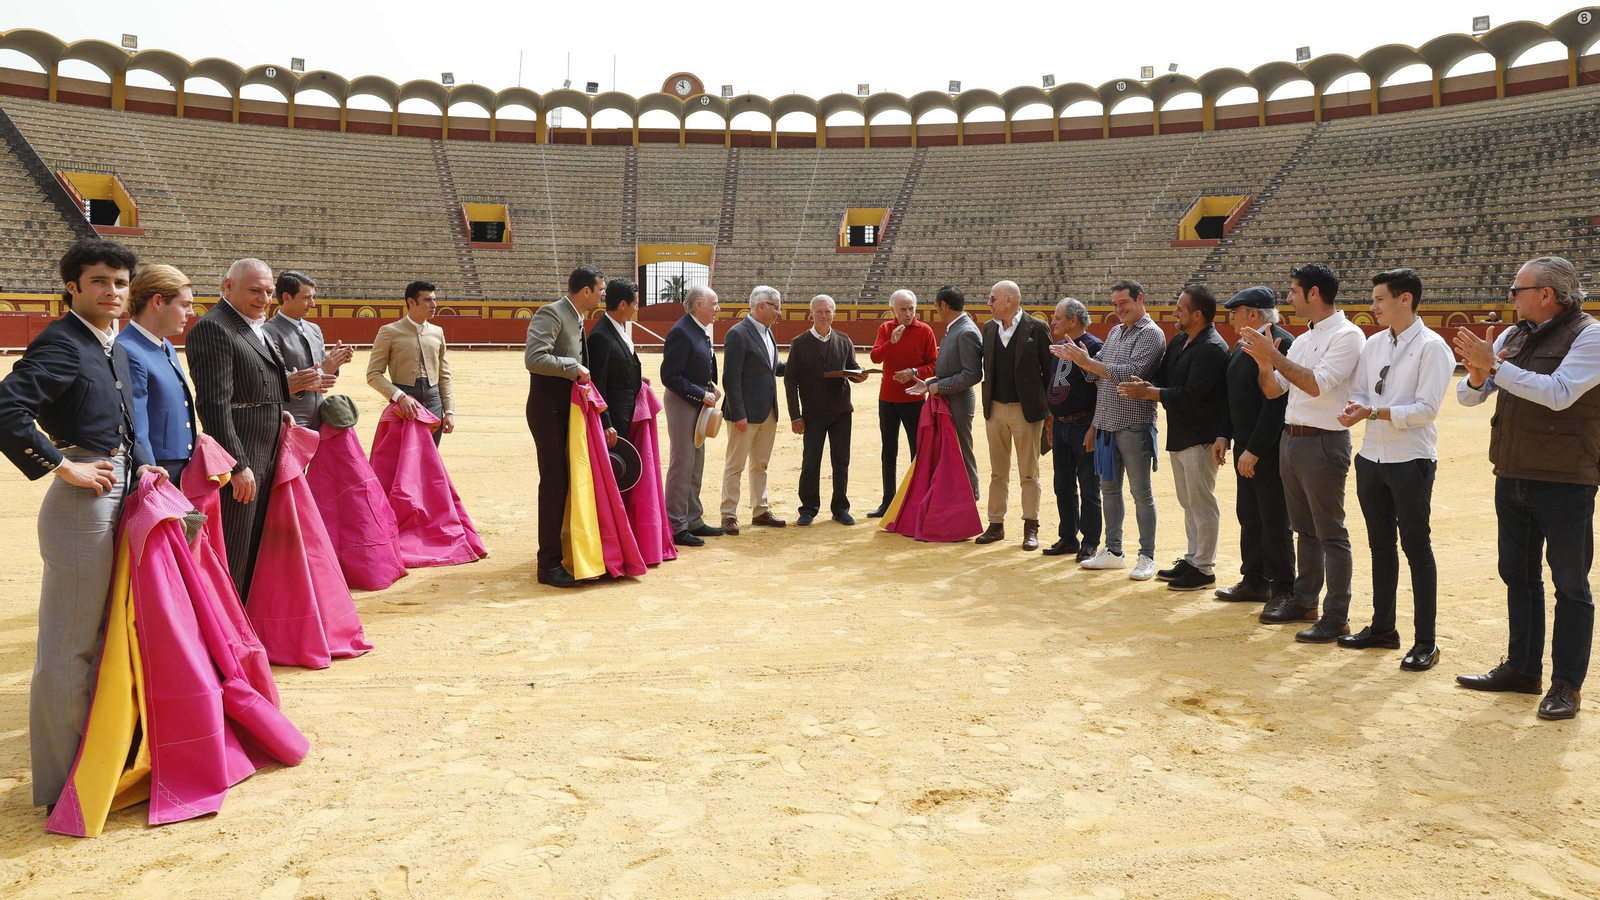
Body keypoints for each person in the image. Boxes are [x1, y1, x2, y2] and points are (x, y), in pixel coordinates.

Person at [0, 238, 163, 808]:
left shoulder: (111, 342)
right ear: (73, 287)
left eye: (120, 283)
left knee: (103, 632)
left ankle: (99, 759)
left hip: (121, 491)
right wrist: (62, 464)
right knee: (69, 646)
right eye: (99, 281)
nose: (112, 292)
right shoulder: (64, 342)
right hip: (84, 503)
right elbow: (6, 408)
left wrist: (146, 471)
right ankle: (64, 779)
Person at [1453, 256, 1600, 719]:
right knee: (1517, 573)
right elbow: (1470, 395)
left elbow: (1559, 393)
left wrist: (1493, 363)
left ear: (1547, 294)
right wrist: (1479, 373)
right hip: (1512, 472)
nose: (1511, 296)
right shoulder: (1514, 335)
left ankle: (1566, 685)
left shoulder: (1590, 334)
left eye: (1518, 289)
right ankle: (1522, 668)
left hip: (1566, 479)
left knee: (1570, 583)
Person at [1239, 262, 1365, 641]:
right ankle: (1306, 600)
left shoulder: (1347, 335)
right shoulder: (1307, 338)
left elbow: (1316, 385)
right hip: (1292, 440)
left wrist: (1274, 357)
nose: (1289, 298)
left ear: (1314, 293)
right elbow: (1274, 390)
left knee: (1330, 533)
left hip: (1324, 441)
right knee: (1305, 531)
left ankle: (1336, 614)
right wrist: (1265, 363)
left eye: (1293, 291)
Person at [1334, 267, 1453, 670]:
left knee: (1417, 548)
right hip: (1372, 457)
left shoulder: (1433, 347)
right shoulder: (1374, 344)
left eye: (1380, 299)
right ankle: (1383, 626)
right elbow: (1361, 390)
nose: (1373, 307)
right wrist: (1358, 407)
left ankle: (1427, 641)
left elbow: (1426, 410)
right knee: (1380, 545)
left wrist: (1374, 410)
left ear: (1406, 299)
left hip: (1411, 459)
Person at [188, 258, 310, 603]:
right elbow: (214, 405)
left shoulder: (255, 324)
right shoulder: (215, 327)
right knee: (237, 545)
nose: (264, 299)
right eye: (255, 290)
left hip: (266, 447)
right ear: (228, 286)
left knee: (259, 542)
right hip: (243, 452)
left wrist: (278, 411)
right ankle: (230, 627)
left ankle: (246, 622)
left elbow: (259, 385)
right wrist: (236, 465)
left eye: (269, 292)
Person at [1118, 284, 1229, 591]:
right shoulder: (1182, 339)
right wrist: (1147, 383)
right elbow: (1165, 378)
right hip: (1182, 434)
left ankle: (1204, 568)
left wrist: (1148, 392)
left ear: (1197, 314)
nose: (1174, 313)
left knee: (1201, 502)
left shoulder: (1212, 348)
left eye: (1180, 309)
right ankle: (1193, 558)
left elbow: (1192, 395)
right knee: (1188, 501)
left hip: (1201, 436)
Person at [1058, 279, 1165, 579]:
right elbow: (1096, 375)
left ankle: (1147, 556)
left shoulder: (1152, 334)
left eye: (1124, 304)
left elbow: (1131, 375)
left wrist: (1089, 363)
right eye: (1115, 305)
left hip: (1134, 424)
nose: (1118, 310)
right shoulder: (1116, 332)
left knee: (1141, 492)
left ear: (1140, 299)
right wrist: (1079, 361)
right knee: (1109, 490)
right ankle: (1114, 550)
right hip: (1107, 424)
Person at [1212, 287, 1295, 606]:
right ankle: (1255, 580)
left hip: (1269, 448)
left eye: (1237, 311)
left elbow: (1276, 404)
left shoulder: (1281, 343)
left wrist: (1255, 449)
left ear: (1254, 314)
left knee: (1274, 516)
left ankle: (1284, 587)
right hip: (1246, 443)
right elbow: (1233, 395)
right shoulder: (1243, 343)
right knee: (1250, 513)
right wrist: (1224, 434)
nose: (1232, 317)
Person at [525, 265, 604, 587]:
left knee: (569, 480)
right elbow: (534, 358)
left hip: (566, 409)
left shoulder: (577, 317)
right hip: (548, 409)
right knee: (555, 482)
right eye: (600, 290)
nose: (603, 296)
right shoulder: (552, 313)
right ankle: (548, 565)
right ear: (585, 290)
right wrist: (573, 367)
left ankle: (561, 552)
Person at [975, 280, 1053, 549]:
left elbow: (1050, 373)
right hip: (995, 408)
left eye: (992, 298)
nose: (989, 303)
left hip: (1026, 410)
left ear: (1009, 300)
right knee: (998, 471)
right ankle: (996, 524)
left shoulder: (1038, 328)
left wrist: (1047, 411)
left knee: (1028, 471)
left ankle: (1031, 524)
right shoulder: (988, 328)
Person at [785, 294, 865, 526]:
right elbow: (791, 381)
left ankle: (840, 508)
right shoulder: (799, 344)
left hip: (841, 411)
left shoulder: (844, 339)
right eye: (819, 311)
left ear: (833, 314)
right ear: (811, 314)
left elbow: (852, 369)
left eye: (827, 311)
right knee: (811, 461)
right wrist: (795, 415)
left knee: (841, 461)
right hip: (812, 413)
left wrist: (859, 375)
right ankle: (808, 508)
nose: (823, 315)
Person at [117, 263, 198, 489]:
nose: (190, 312)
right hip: (157, 469)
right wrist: (151, 475)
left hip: (179, 465)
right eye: (184, 305)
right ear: (158, 301)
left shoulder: (165, 344)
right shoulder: (129, 351)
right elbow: (137, 426)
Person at [720, 285, 787, 533]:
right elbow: (731, 378)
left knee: (760, 464)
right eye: (776, 307)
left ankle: (760, 509)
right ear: (762, 306)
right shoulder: (738, 333)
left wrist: (796, 367)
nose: (779, 312)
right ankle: (728, 514)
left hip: (768, 411)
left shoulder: (767, 332)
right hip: (745, 414)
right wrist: (739, 414)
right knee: (735, 465)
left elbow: (769, 368)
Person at [661, 285, 723, 547]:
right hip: (682, 402)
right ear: (699, 305)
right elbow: (670, 377)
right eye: (714, 304)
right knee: (683, 461)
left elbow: (697, 366)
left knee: (696, 460)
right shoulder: (681, 331)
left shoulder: (696, 329)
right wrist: (701, 392)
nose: (717, 309)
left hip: (698, 400)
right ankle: (675, 524)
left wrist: (709, 387)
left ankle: (693, 518)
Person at [868, 289, 938, 517]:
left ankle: (917, 499)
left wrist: (915, 371)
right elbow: (876, 357)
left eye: (911, 309)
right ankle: (888, 501)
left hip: (915, 399)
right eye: (903, 310)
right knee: (888, 451)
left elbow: (934, 365)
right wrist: (892, 341)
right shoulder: (885, 329)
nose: (908, 314)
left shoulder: (925, 330)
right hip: (887, 399)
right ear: (893, 311)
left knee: (917, 451)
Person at [1043, 298, 1102, 562]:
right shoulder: (1059, 347)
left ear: (1073, 320)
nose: (1053, 322)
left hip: (1083, 425)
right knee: (1063, 485)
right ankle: (1068, 537)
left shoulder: (1093, 347)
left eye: (1057, 317)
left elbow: (1103, 392)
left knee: (1089, 486)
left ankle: (1090, 542)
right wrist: (1051, 417)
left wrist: (1094, 426)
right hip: (1061, 425)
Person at [367, 281, 454, 448]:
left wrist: (449, 411)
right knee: (404, 456)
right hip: (403, 398)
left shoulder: (437, 332)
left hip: (434, 399)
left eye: (434, 300)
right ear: (411, 302)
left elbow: (444, 374)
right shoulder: (389, 331)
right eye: (427, 300)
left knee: (430, 454)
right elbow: (373, 374)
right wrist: (400, 397)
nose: (434, 305)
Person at [264, 270, 351, 429]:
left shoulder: (314, 329)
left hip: (320, 415)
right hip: (290, 420)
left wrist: (334, 363)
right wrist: (323, 369)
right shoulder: (268, 332)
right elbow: (274, 380)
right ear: (287, 298)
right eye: (306, 298)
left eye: (313, 297)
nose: (313, 303)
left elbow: (324, 372)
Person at [922, 285, 984, 500]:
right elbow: (950, 368)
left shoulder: (965, 331)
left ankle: (970, 496)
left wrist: (941, 386)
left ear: (945, 305)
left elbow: (972, 375)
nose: (937, 311)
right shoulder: (956, 328)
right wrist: (929, 383)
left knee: (960, 449)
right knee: (950, 449)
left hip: (958, 402)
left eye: (937, 306)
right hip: (950, 399)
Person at [587, 277, 643, 449]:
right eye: (635, 303)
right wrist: (605, 423)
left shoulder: (616, 329)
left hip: (625, 412)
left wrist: (636, 377)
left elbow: (616, 367)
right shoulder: (601, 337)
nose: (636, 308)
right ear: (623, 305)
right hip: (615, 417)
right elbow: (597, 384)